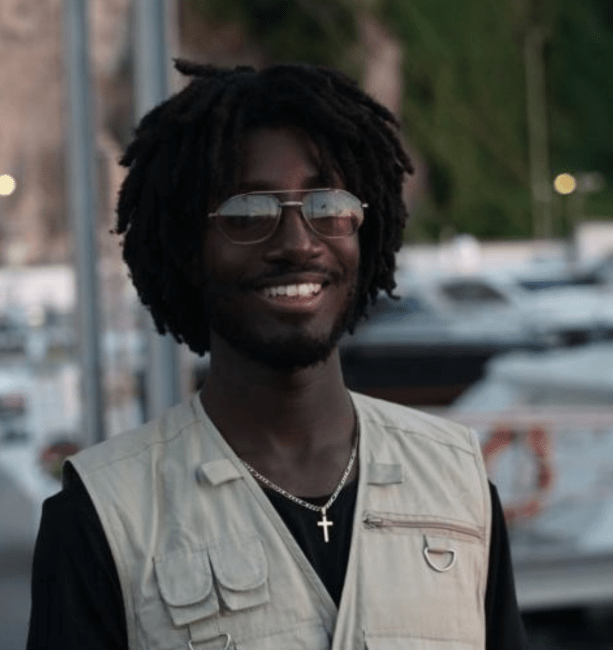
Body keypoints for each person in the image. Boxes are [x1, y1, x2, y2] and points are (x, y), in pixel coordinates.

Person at [27, 60, 527, 650]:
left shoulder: (458, 483)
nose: (297, 241)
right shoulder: (103, 516)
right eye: (247, 212)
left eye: (327, 204)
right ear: (188, 248)